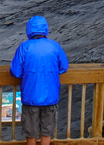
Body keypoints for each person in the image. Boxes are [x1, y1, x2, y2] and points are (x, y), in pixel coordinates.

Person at [9, 16, 69, 145]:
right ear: (45, 29)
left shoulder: (24, 47)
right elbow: (63, 67)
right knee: (47, 131)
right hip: (50, 96)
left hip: (31, 96)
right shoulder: (54, 46)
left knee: (30, 132)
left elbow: (15, 71)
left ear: (29, 29)